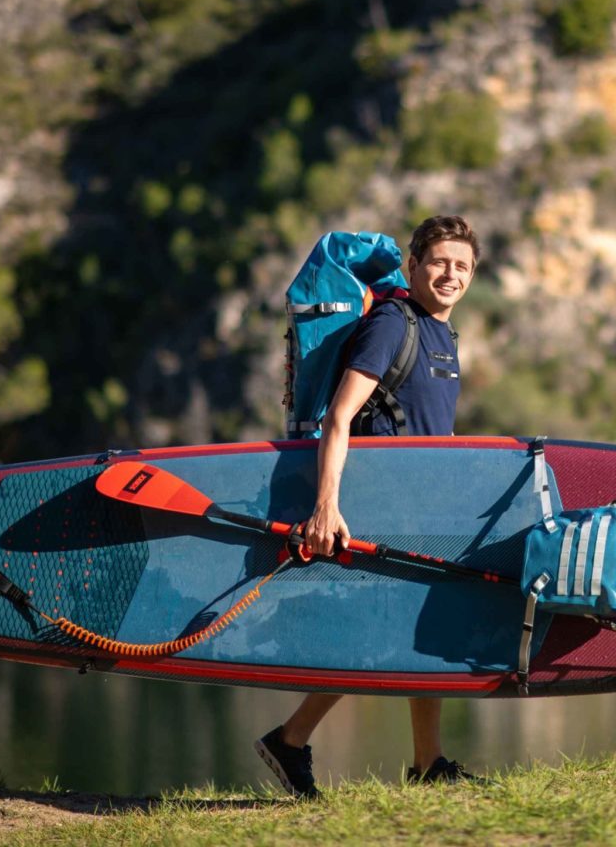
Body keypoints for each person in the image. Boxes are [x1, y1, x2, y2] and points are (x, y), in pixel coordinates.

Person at [255, 215, 482, 799]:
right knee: (383, 632)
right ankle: (292, 739)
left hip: (421, 508)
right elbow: (339, 416)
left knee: (415, 628)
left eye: (462, 266)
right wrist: (325, 506)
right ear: (414, 266)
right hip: (376, 505)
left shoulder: (445, 336)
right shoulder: (392, 323)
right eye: (439, 262)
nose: (450, 274)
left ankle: (425, 761)